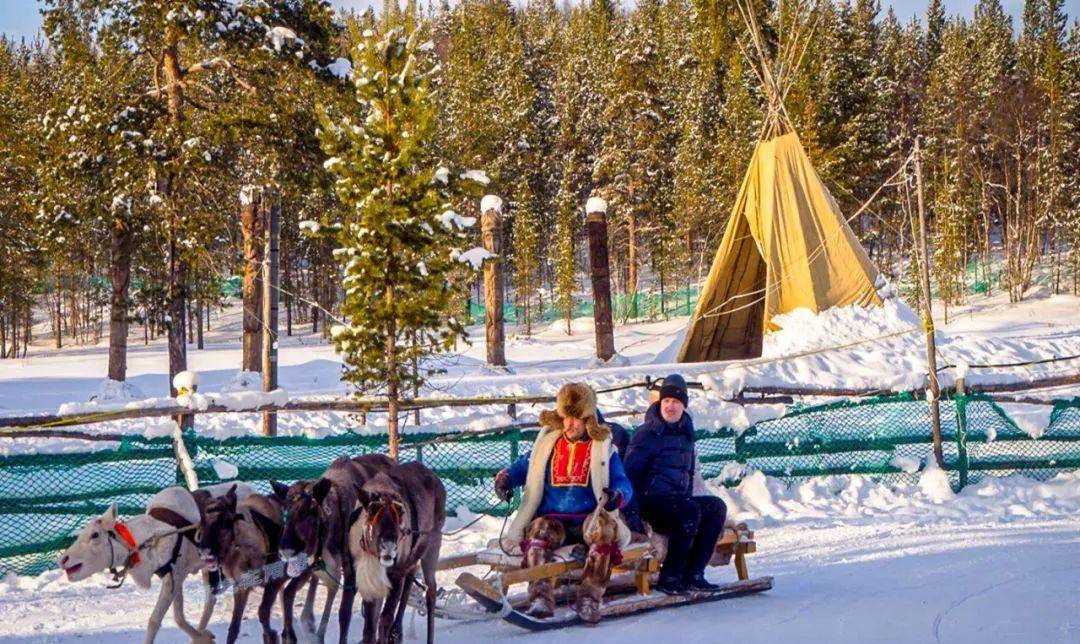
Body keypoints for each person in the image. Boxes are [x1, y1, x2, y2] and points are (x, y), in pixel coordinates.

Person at [493, 382, 634, 620]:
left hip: (589, 520)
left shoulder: (601, 448)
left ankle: (589, 599)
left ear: (587, 419)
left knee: (603, 531)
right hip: (554, 521)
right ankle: (540, 597)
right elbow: (523, 467)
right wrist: (506, 478)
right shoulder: (548, 444)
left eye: (576, 418)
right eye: (566, 417)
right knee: (538, 531)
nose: (570, 423)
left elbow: (624, 484)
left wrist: (616, 496)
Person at [623, 373, 727, 595]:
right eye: (667, 401)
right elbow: (629, 476)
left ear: (684, 406)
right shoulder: (647, 434)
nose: (670, 406)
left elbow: (688, 473)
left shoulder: (686, 433)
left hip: (678, 501)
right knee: (689, 511)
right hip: (653, 504)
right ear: (660, 403)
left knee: (716, 507)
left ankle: (694, 573)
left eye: (676, 402)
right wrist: (633, 515)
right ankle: (670, 577)